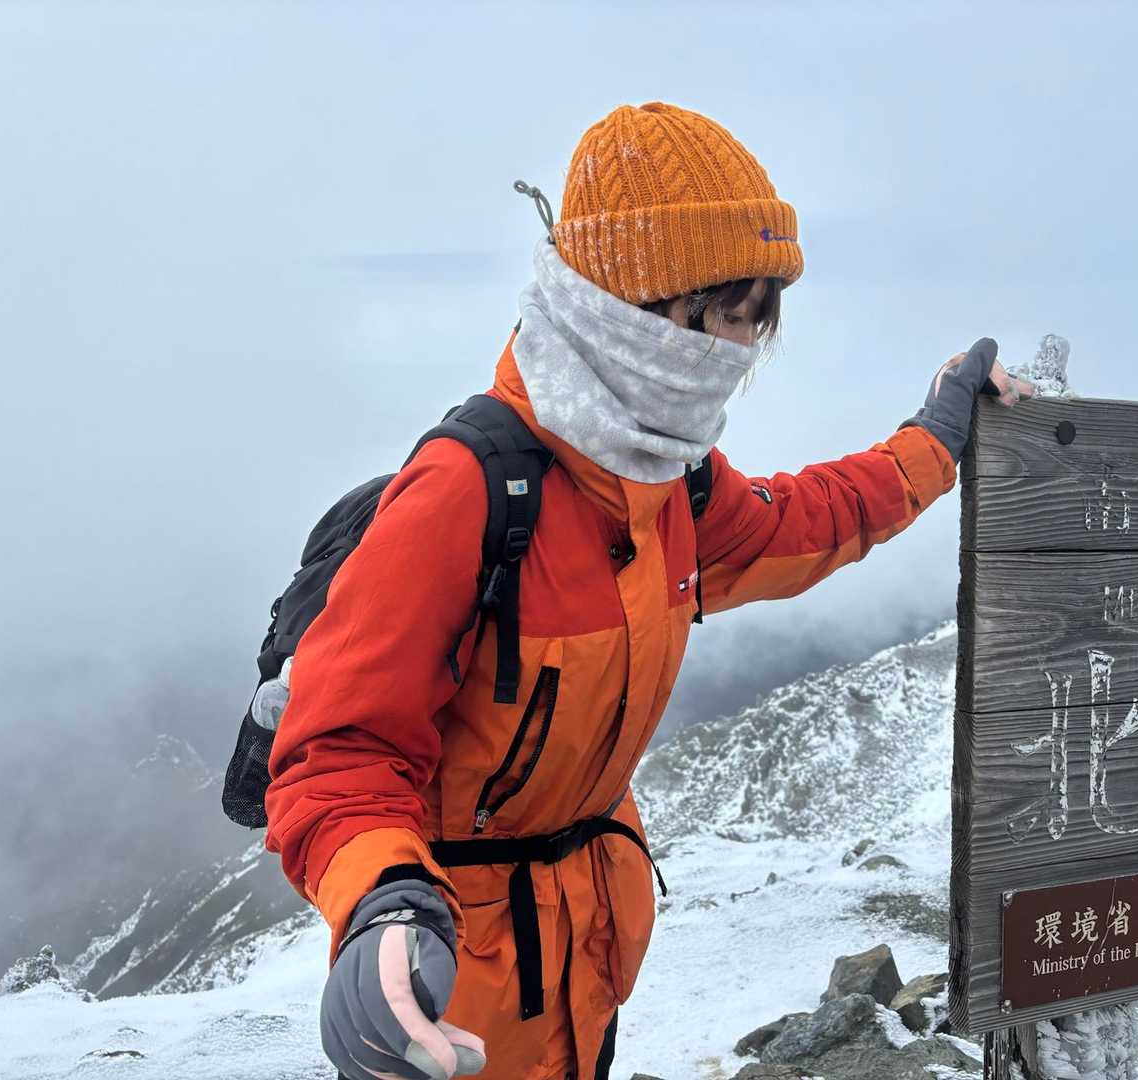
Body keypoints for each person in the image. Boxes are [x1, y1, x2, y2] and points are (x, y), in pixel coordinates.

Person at [264, 101, 1032, 1080]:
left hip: (585, 960)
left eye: (758, 319)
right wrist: (384, 908)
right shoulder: (467, 491)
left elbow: (806, 520)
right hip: (452, 986)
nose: (738, 348)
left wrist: (935, 438)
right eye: (723, 312)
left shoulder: (667, 483)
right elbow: (338, 752)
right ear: (632, 298)